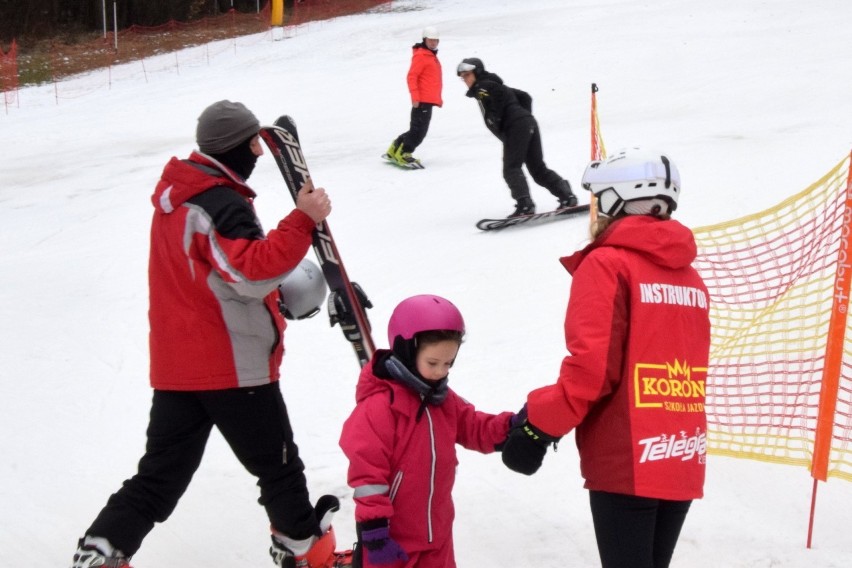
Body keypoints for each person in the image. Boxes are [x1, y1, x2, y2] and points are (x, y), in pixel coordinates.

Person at [70, 100, 340, 568]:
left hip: (179, 368)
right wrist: (302, 219)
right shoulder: (216, 201)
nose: (259, 152)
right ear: (234, 147)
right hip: (232, 369)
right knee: (278, 468)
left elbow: (213, 280)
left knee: (161, 473)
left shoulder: (179, 199)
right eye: (253, 143)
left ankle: (103, 550)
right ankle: (306, 553)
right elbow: (249, 273)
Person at [500, 148, 710, 568]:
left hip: (628, 458)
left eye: (597, 198)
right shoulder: (689, 276)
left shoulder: (607, 264)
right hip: (680, 454)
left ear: (617, 198)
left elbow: (592, 371)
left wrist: (538, 428)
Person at [339, 295, 516, 568]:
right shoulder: (380, 406)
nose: (440, 372)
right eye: (432, 363)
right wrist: (374, 530)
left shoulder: (442, 399)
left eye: (448, 364)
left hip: (438, 537)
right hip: (390, 540)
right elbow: (367, 474)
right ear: (407, 351)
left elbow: (475, 427)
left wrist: (513, 427)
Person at [456, 57, 577, 217]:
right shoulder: (495, 85)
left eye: (467, 75)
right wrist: (524, 116)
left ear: (477, 72)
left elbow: (495, 96)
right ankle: (567, 196)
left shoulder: (483, 87)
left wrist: (498, 119)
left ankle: (525, 204)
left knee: (511, 168)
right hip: (528, 123)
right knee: (538, 168)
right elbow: (525, 97)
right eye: (462, 77)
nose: (465, 79)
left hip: (517, 127)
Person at [385, 26, 442, 167]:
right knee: (419, 131)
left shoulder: (429, 55)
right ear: (424, 40)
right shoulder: (422, 55)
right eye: (431, 40)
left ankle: (395, 149)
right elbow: (412, 77)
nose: (433, 43)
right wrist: (415, 97)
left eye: (436, 40)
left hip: (427, 99)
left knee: (416, 129)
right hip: (422, 100)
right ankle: (404, 153)